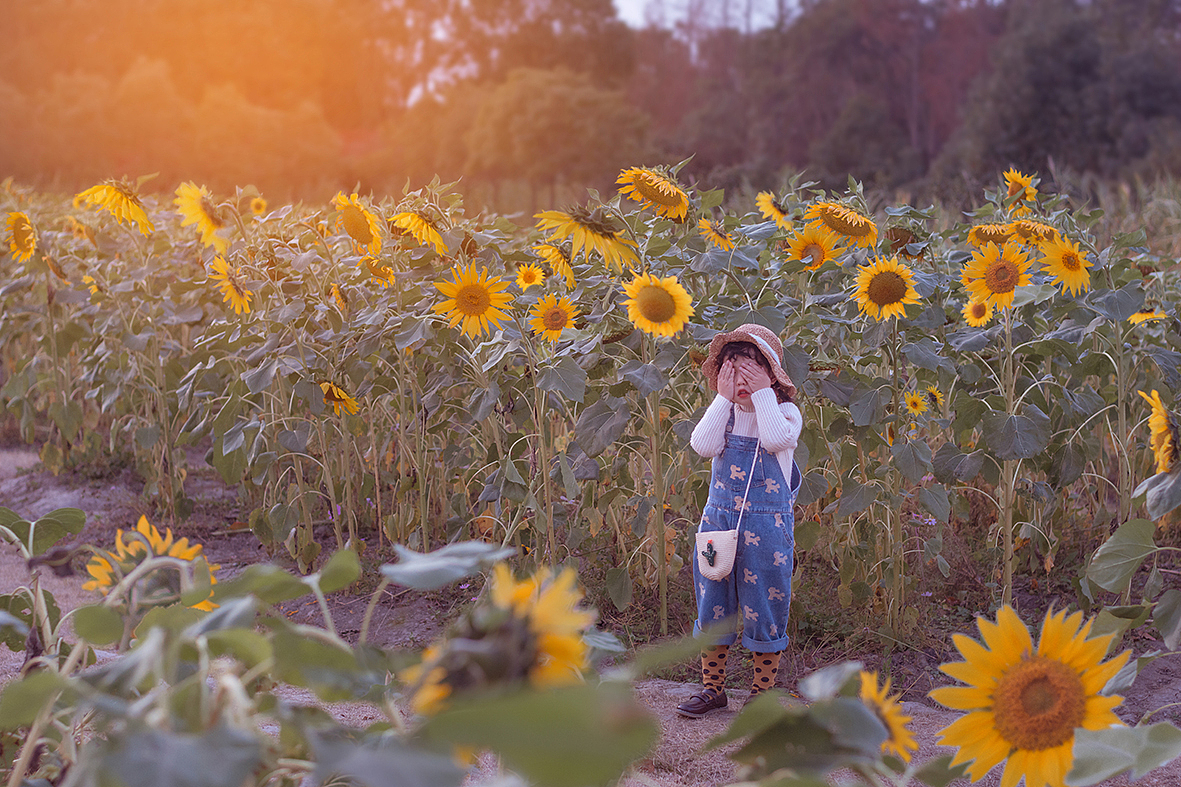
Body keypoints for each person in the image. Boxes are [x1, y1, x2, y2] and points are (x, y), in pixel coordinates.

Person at [676, 324, 803, 718]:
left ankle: (761, 691)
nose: (741, 382)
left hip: (766, 531)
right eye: (732, 372)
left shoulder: (784, 412)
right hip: (717, 524)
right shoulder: (724, 413)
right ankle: (712, 688)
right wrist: (723, 397)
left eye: (750, 371)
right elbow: (702, 445)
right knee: (713, 601)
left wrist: (763, 392)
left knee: (765, 605)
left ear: (772, 375)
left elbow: (777, 439)